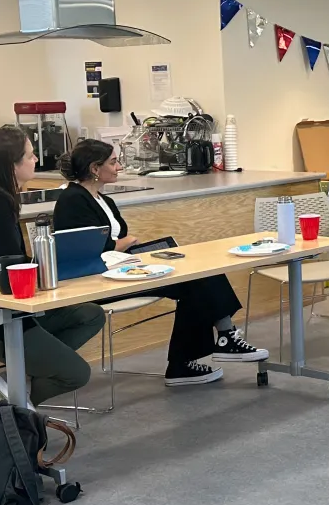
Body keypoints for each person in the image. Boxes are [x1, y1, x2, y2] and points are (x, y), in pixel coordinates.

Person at [53, 139, 268, 387]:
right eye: (113, 162)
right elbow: (86, 248)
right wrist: (124, 243)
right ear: (94, 168)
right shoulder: (72, 199)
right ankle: (208, 348)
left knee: (195, 272)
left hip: (121, 267)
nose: (119, 167)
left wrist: (126, 245)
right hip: (97, 280)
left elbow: (112, 242)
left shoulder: (103, 200)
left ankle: (209, 347)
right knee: (191, 278)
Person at [0, 126, 104, 407]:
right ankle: (7, 407)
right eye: (29, 156)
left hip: (3, 309)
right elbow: (13, 264)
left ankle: (18, 382)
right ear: (11, 165)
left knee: (90, 315)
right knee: (75, 373)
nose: (35, 161)